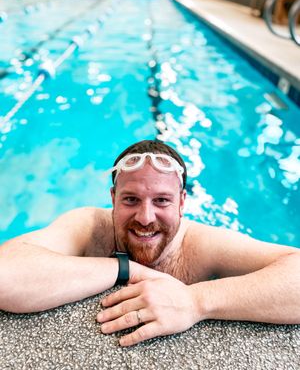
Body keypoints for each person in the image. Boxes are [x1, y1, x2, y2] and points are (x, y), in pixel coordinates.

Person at [0, 140, 300, 347]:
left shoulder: (203, 243)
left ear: (182, 203)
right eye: (131, 199)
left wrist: (196, 302)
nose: (145, 217)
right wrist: (122, 269)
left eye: (162, 201)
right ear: (112, 199)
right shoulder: (89, 226)